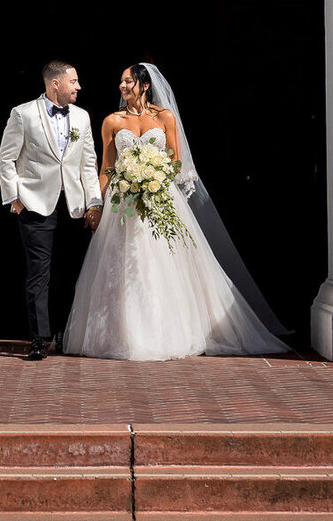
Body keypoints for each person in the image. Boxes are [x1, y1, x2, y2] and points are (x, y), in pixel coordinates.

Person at [62, 61, 288, 361]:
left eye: (128, 81)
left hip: (159, 196)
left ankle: (168, 332)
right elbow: (106, 167)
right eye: (121, 81)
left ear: (144, 85)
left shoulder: (165, 117)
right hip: (124, 203)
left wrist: (153, 173)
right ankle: (124, 335)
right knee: (124, 265)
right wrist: (97, 205)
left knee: (163, 265)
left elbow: (176, 161)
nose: (122, 86)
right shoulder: (112, 121)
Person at [0, 59, 102, 361]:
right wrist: (15, 198)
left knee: (70, 272)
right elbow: (6, 159)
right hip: (35, 204)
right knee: (38, 273)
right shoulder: (23, 114)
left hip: (74, 206)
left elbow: (88, 163)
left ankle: (64, 333)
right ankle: (39, 339)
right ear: (56, 84)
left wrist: (94, 203)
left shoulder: (82, 116)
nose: (78, 87)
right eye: (73, 81)